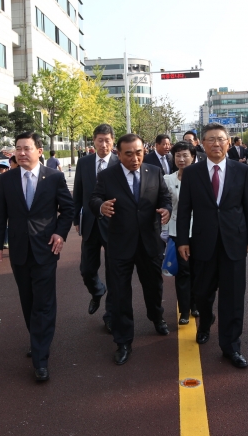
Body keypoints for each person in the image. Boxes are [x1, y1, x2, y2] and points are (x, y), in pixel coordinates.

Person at [0, 131, 74, 382]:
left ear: (40, 151)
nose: (22, 153)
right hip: (18, 249)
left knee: (44, 303)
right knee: (28, 300)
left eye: (27, 148)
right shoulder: (7, 180)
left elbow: (68, 209)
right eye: (18, 148)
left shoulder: (54, 177)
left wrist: (60, 234)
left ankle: (41, 358)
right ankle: (37, 338)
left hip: (46, 249)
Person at [176, 123, 248, 369]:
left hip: (234, 242)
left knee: (233, 296)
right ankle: (206, 321)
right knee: (202, 292)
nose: (216, 144)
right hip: (202, 241)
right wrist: (182, 241)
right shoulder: (192, 173)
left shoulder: (242, 171)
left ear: (228, 143)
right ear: (202, 143)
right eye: (211, 139)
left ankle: (231, 346)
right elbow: (184, 210)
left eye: (221, 139)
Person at [90, 134, 172, 365]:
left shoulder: (154, 172)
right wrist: (100, 206)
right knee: (120, 294)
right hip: (120, 244)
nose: (135, 158)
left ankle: (156, 317)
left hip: (149, 243)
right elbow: (94, 198)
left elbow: (164, 198)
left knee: (153, 287)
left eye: (139, 153)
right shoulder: (107, 176)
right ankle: (123, 340)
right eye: (129, 154)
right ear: (118, 153)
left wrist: (166, 210)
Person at [73, 124, 119, 333]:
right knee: (87, 269)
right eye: (100, 140)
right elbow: (78, 193)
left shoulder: (121, 163)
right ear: (94, 141)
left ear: (113, 141)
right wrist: (75, 218)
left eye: (107, 140)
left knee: (114, 273)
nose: (103, 145)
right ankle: (97, 291)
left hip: (114, 225)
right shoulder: (84, 163)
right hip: (90, 224)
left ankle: (110, 316)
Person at [163, 140, 197, 324]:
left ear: (193, 157)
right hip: (177, 230)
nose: (181, 159)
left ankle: (195, 304)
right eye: (178, 155)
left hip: (199, 230)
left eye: (185, 155)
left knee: (198, 270)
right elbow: (164, 204)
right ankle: (184, 310)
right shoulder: (167, 179)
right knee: (183, 271)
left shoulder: (201, 178)